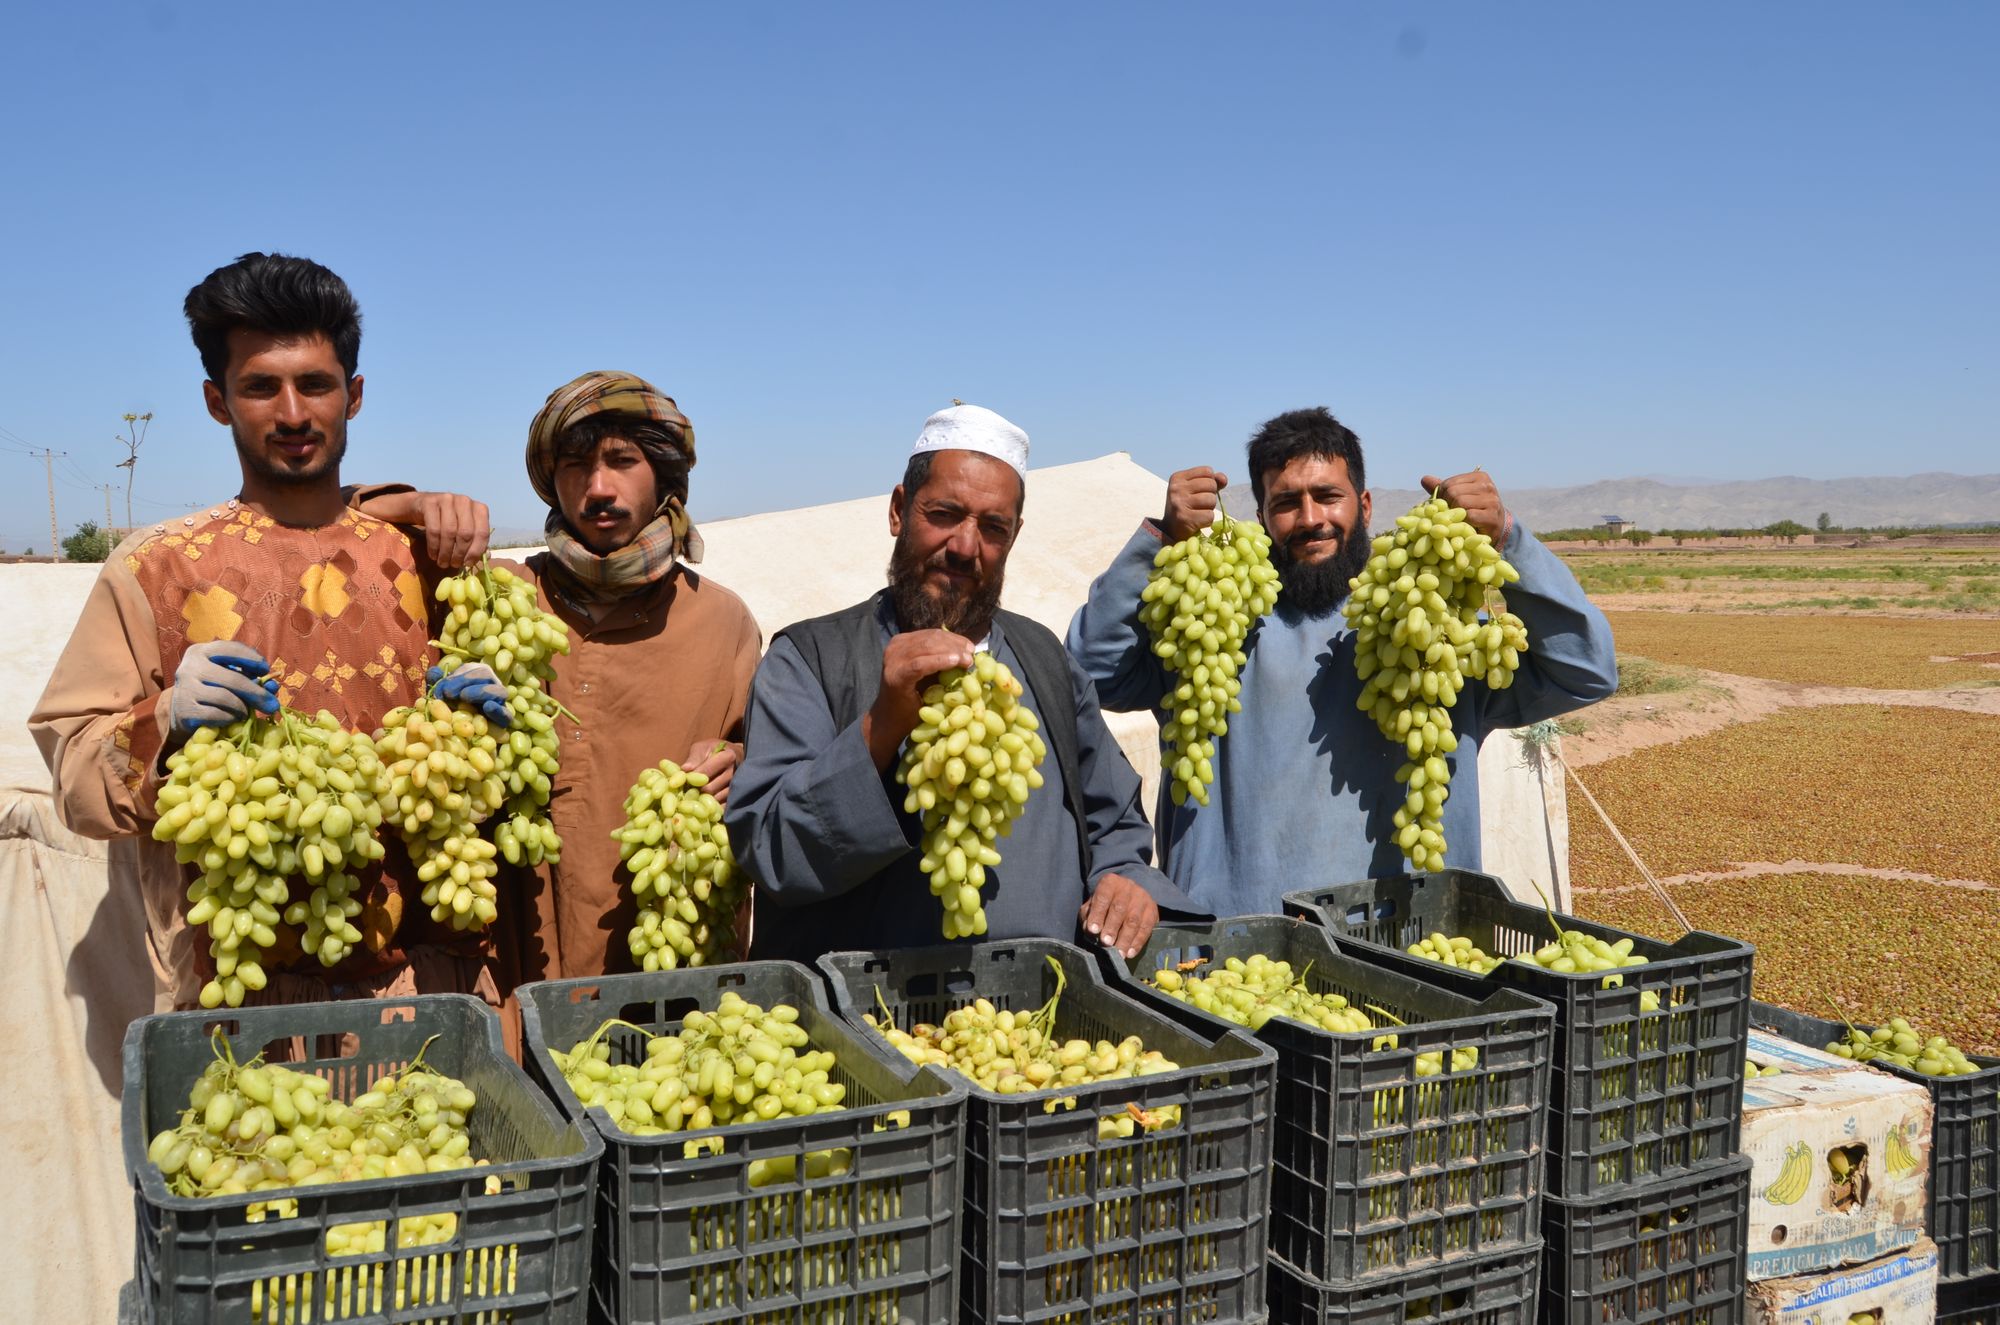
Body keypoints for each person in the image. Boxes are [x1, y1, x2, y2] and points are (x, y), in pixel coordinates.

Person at [29, 251, 507, 1011]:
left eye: (315, 384)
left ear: (352, 395)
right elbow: (77, 784)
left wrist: (493, 729)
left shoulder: (426, 557)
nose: (292, 413)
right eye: (260, 387)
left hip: (433, 984)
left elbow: (512, 770)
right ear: (219, 402)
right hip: (240, 1001)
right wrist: (164, 725)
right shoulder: (155, 569)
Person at [1067, 405, 1618, 916]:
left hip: (1404, 943)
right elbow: (1089, 677)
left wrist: (1508, 539)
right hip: (1233, 948)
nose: (1310, 518)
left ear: (1366, 504)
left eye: (1328, 496)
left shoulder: (1430, 629)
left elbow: (1586, 669)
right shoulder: (1215, 626)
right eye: (1286, 503)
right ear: (1261, 517)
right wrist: (1157, 541)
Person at [727, 404, 1196, 964]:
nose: (965, 547)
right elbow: (770, 849)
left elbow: (1114, 816)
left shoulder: (1043, 657)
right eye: (945, 514)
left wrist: (1124, 876)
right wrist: (882, 724)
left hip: (1039, 1024)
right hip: (866, 1031)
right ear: (899, 511)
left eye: (993, 527)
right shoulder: (807, 659)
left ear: (1014, 536)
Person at [361, 371, 761, 981]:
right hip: (505, 951)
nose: (598, 488)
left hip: (653, 966)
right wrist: (417, 504)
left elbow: (763, 765)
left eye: (622, 462)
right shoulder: (498, 597)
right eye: (574, 466)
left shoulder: (722, 619)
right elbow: (328, 522)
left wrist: (736, 764)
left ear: (664, 477)